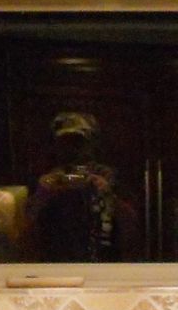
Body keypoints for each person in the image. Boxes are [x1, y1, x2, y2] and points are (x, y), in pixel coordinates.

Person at [22, 111, 141, 262]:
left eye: (78, 142)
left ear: (90, 144)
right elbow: (23, 231)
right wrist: (43, 194)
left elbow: (132, 228)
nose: (72, 149)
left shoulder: (108, 176)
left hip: (102, 261)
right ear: (56, 145)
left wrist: (107, 195)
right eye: (65, 142)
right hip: (56, 262)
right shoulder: (45, 176)